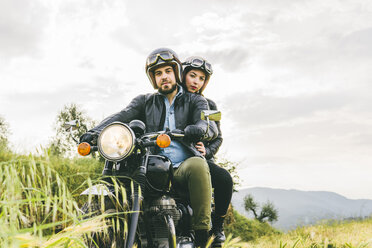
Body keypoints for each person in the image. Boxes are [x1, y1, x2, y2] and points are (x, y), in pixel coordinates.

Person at [80, 48, 217, 247]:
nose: (164, 77)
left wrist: (199, 128)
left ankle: (202, 234)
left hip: (181, 166)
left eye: (168, 71)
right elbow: (121, 116)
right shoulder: (145, 101)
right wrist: (94, 133)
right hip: (151, 162)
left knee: (198, 165)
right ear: (153, 78)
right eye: (158, 73)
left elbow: (207, 122)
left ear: (176, 73)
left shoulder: (195, 99)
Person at [182, 56, 233, 246]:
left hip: (200, 159)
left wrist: (207, 152)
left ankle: (217, 227)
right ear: (183, 74)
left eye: (201, 78)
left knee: (225, 179)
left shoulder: (210, 105)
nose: (196, 81)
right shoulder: (176, 99)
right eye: (192, 75)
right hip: (176, 158)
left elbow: (218, 136)